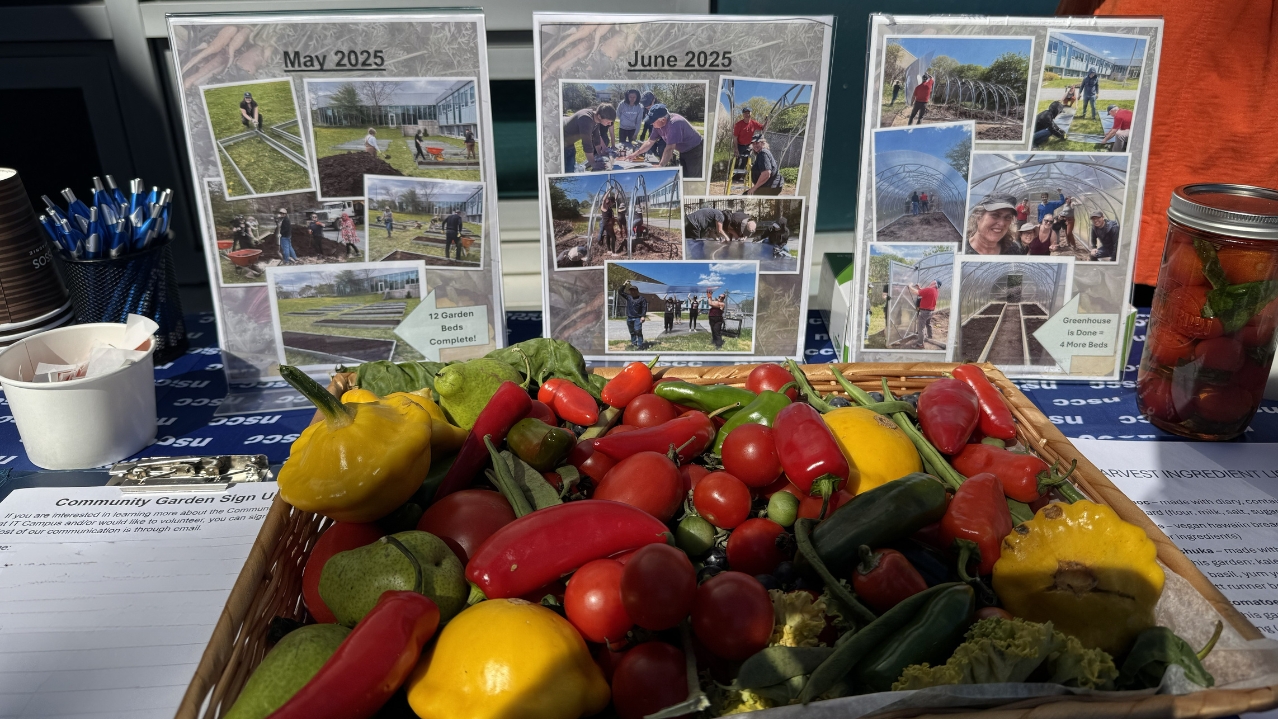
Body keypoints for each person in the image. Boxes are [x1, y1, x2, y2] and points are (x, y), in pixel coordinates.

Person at [624, 104, 704, 179]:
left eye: (653, 121)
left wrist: (661, 165)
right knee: (684, 176)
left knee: (693, 178)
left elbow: (670, 148)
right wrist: (636, 153)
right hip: (683, 150)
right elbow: (650, 142)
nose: (651, 124)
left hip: (695, 149)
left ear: (663, 120)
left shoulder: (674, 124)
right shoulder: (657, 126)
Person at [562, 103, 616, 172]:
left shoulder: (595, 118)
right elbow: (587, 144)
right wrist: (593, 164)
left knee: (570, 164)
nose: (609, 124)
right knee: (567, 168)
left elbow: (596, 138)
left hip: (569, 141)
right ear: (599, 116)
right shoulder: (585, 119)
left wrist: (600, 154)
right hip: (560, 139)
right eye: (608, 121)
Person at [685, 207, 754, 242]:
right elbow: (720, 230)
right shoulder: (720, 216)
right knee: (696, 246)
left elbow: (711, 232)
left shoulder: (714, 217)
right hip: (693, 224)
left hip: (690, 221)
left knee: (692, 243)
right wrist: (726, 238)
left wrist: (716, 238)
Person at [907, 280, 940, 346]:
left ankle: (920, 344)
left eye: (933, 281)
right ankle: (930, 336)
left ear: (934, 283)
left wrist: (910, 286)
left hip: (924, 311)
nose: (931, 281)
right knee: (928, 324)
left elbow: (915, 292)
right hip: (930, 311)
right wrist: (919, 288)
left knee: (920, 328)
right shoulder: (935, 290)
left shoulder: (929, 289)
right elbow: (925, 292)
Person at [622, 285, 647, 350]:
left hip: (637, 318)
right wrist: (624, 284)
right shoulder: (628, 297)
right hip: (629, 317)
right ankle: (633, 343)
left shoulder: (642, 298)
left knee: (638, 331)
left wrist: (643, 316)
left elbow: (644, 307)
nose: (632, 291)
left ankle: (640, 345)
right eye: (631, 290)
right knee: (632, 332)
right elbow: (620, 292)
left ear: (637, 291)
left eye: (634, 290)